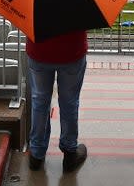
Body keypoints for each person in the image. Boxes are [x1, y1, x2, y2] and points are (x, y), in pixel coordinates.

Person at [26, 29, 88, 172]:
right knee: (69, 103)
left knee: (39, 102)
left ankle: (36, 154)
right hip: (72, 49)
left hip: (39, 49)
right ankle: (70, 153)